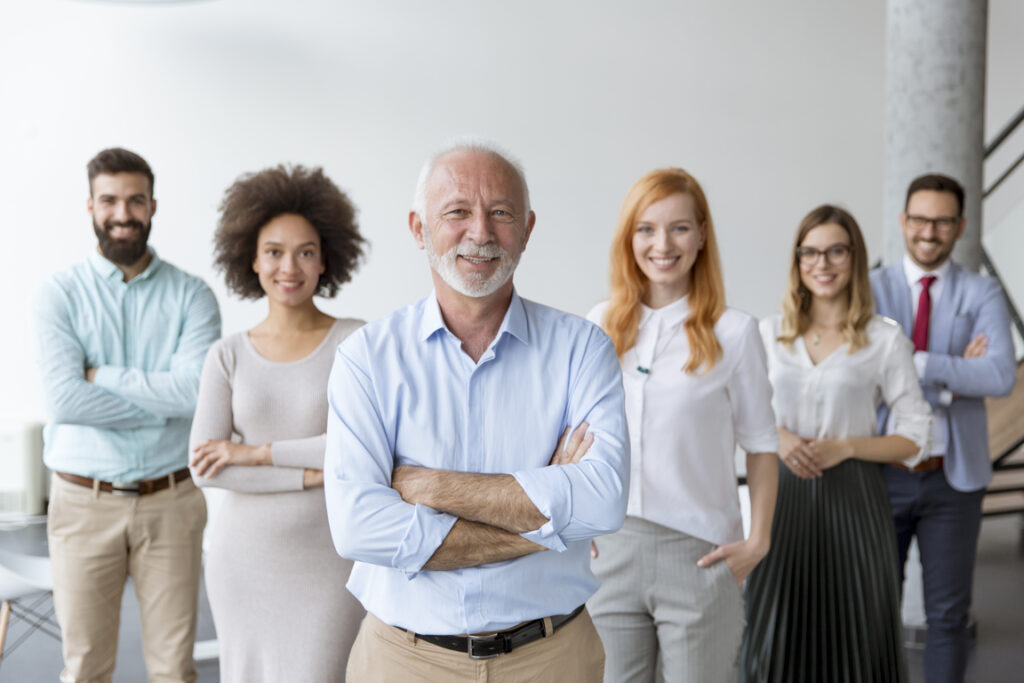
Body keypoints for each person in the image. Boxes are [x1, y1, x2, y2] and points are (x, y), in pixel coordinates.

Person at [324, 140, 629, 682]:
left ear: (527, 229)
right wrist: (543, 524)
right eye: (458, 211)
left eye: (501, 213)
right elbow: (359, 529)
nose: (481, 232)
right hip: (403, 661)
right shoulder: (366, 358)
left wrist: (430, 487)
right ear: (419, 229)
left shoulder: (583, 349)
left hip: (553, 659)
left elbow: (602, 501)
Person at [585, 168, 778, 682]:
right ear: (629, 238)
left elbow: (762, 445)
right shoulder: (600, 324)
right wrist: (576, 523)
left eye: (679, 228)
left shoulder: (735, 333)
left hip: (699, 553)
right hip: (611, 549)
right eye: (646, 229)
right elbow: (578, 437)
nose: (662, 244)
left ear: (702, 235)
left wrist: (758, 541)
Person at [35, 148, 220, 683]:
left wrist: (102, 376)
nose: (123, 213)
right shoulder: (58, 294)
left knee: (174, 670)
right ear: (90, 206)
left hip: (172, 501)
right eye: (109, 200)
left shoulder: (192, 295)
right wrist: (161, 405)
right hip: (82, 503)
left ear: (153, 205)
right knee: (86, 669)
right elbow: (65, 401)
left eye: (135, 200)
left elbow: (193, 395)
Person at [188, 165, 368, 682]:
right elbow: (206, 467)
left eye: (305, 252)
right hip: (242, 558)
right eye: (273, 251)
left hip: (328, 557)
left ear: (325, 260)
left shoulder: (355, 341)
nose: (289, 266)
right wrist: (312, 474)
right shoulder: (227, 355)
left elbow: (359, 448)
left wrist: (256, 453)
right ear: (251, 258)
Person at [740, 204, 933, 683]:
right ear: (797, 261)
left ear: (855, 258)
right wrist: (780, 437)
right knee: (775, 630)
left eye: (835, 252)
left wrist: (845, 448)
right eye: (809, 252)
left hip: (855, 500)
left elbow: (917, 435)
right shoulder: (768, 333)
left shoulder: (883, 339)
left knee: (855, 632)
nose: (821, 264)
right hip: (779, 497)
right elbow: (736, 414)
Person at [871, 174, 1016, 683]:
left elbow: (999, 375)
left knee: (949, 618)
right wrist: (957, 377)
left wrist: (915, 362)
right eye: (919, 219)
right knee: (873, 614)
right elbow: (862, 380)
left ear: (960, 226)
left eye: (941, 221)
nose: (929, 232)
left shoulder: (982, 290)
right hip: (881, 475)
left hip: (953, 481)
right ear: (903, 221)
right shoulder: (871, 288)